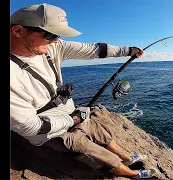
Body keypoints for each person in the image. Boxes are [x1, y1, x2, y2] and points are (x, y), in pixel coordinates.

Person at [10, 3, 157, 179]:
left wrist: (128, 51)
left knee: (102, 132)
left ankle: (127, 158)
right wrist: (73, 119)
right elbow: (31, 127)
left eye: (58, 35)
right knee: (99, 156)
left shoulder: (51, 46)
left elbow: (94, 50)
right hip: (52, 133)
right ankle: (133, 174)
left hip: (72, 115)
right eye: (50, 34)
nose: (56, 40)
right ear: (18, 31)